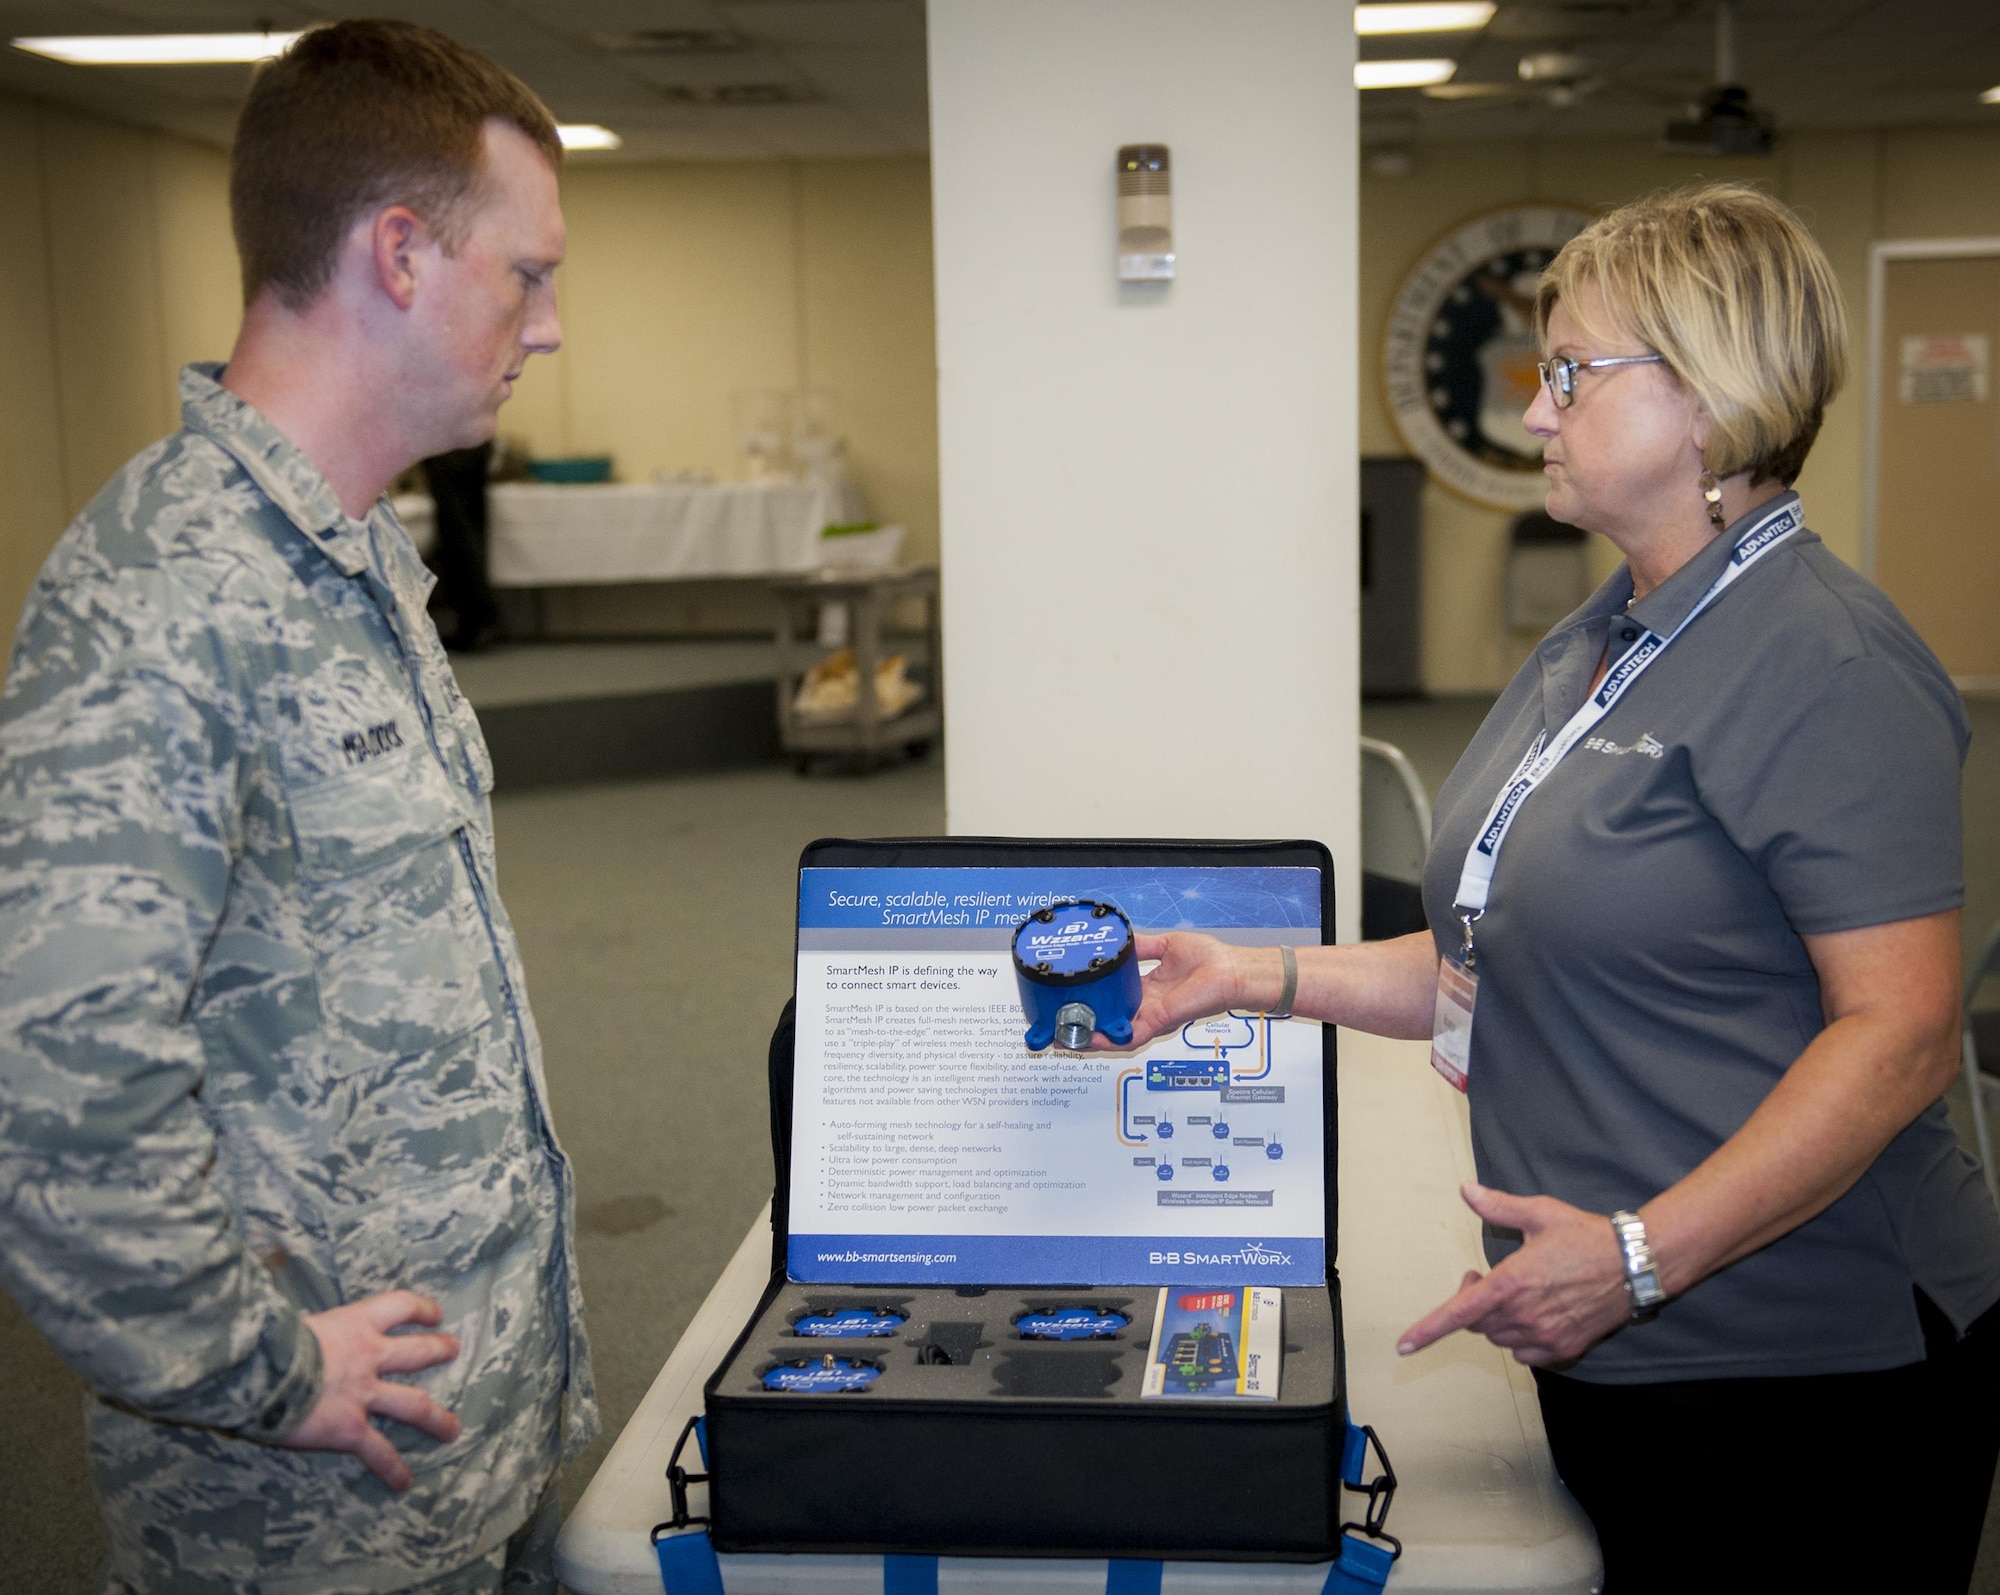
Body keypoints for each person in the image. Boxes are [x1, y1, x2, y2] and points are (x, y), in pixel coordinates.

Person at [1123, 184, 2000, 1592]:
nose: (1537, 410)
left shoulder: (1825, 660)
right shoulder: (1606, 635)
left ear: (1709, 402)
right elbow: (1497, 950)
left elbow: (1895, 1037)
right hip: (1612, 1326)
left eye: (1572, 374)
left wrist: (1641, 1258)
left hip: (1802, 1368)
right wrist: (1259, 975)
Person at [0, 21, 593, 1593]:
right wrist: (257, 1368)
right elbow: (55, 1103)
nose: (547, 329)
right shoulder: (163, 598)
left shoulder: (350, 563)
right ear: (399, 253)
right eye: (526, 275)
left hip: (465, 1461)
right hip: (304, 1521)